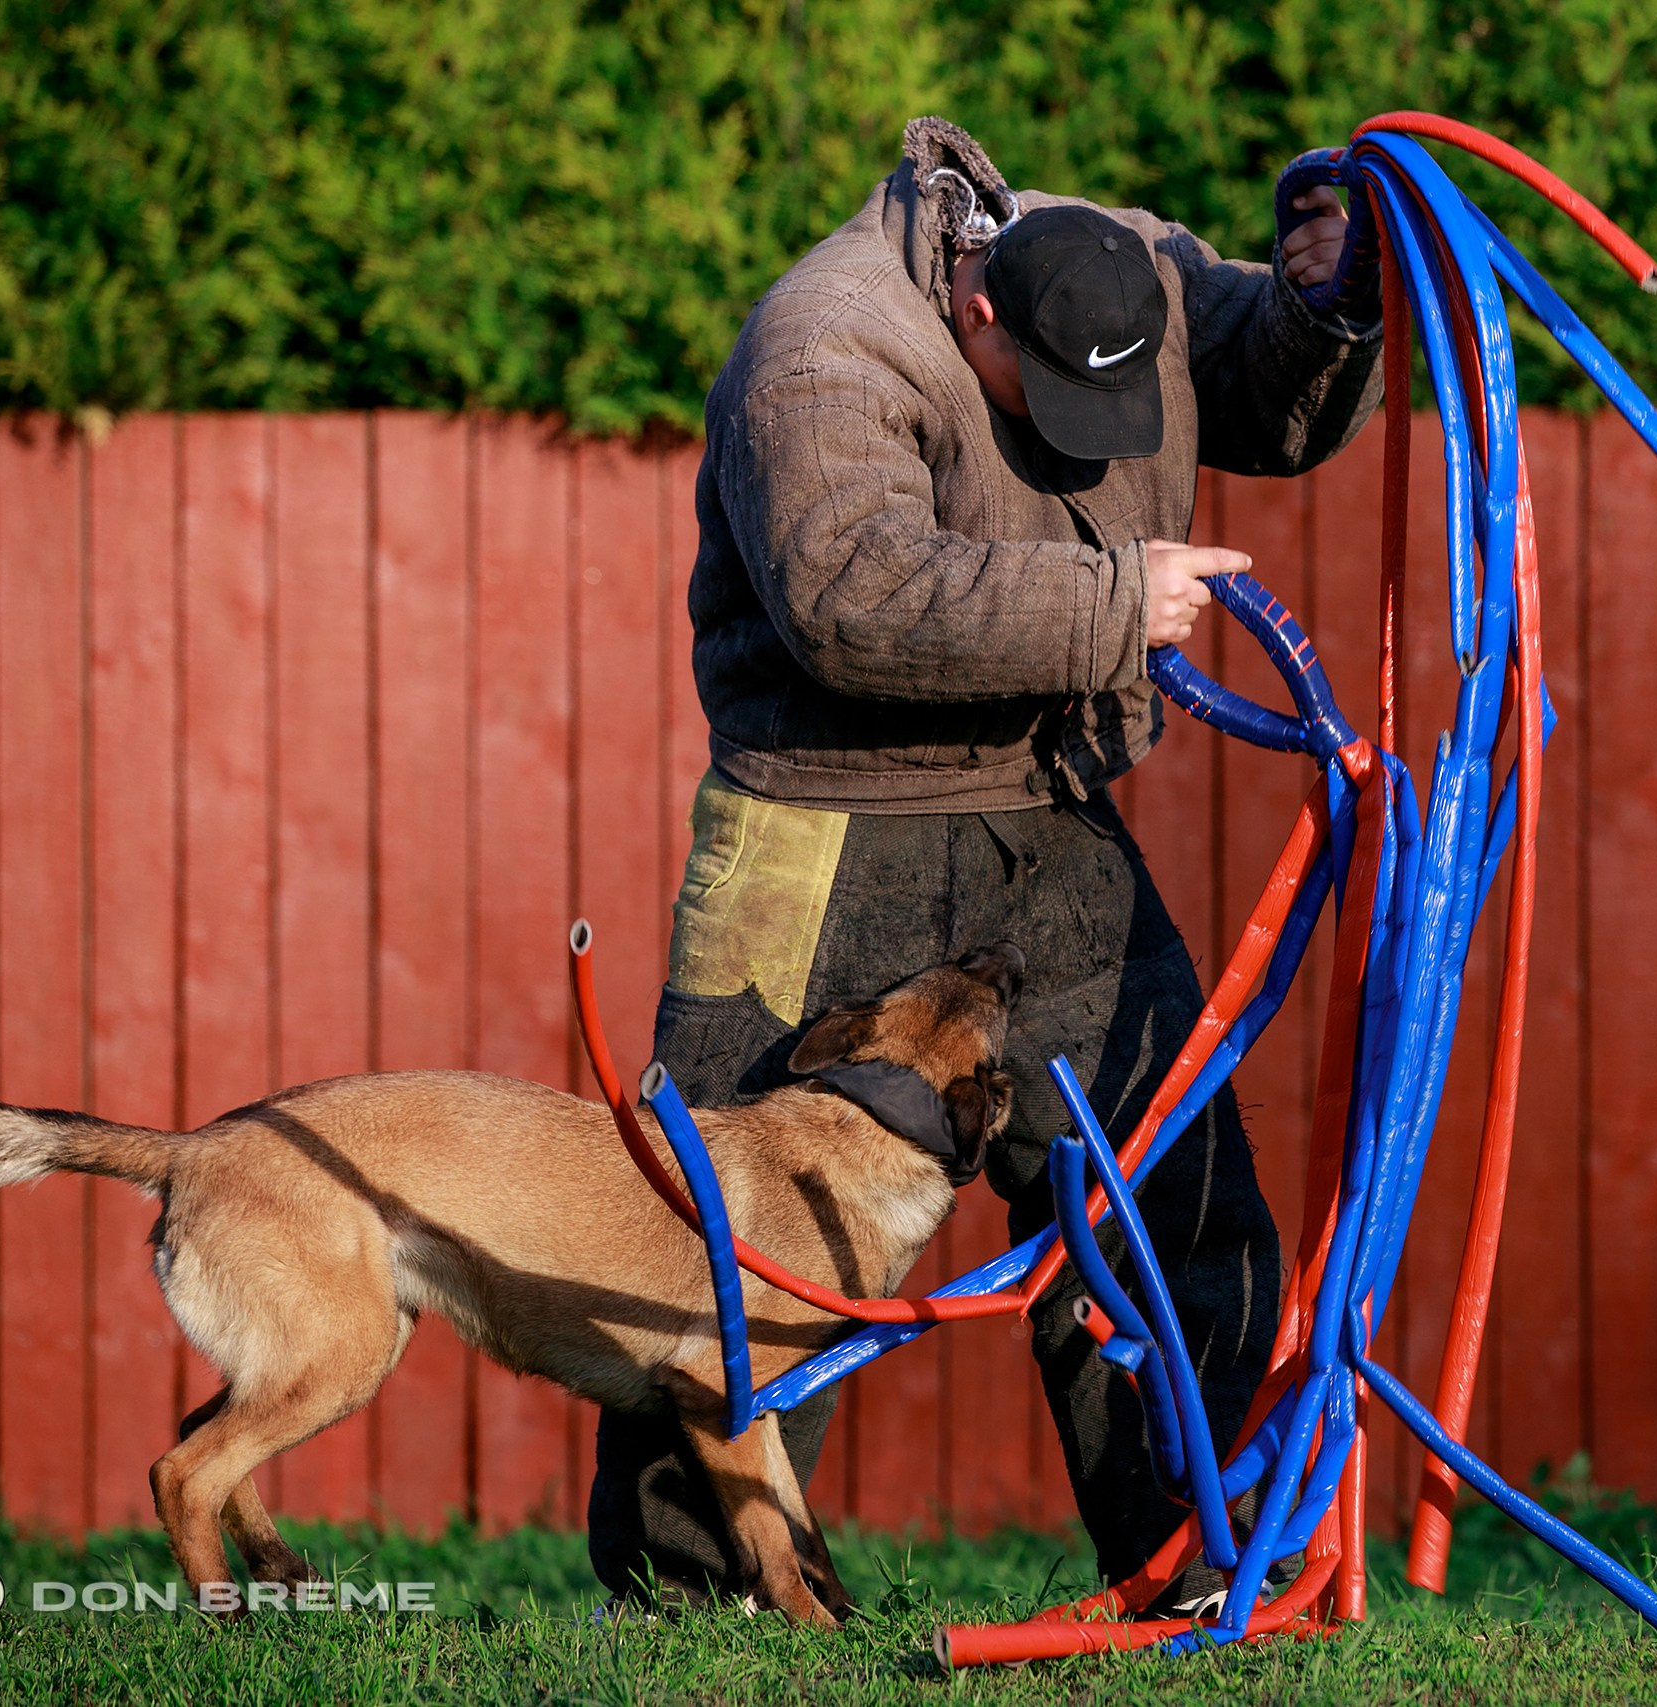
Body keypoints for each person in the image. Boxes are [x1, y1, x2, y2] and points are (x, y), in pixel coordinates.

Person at [588, 116, 1382, 1616]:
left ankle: (1204, 1564)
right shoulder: (824, 350)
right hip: (820, 832)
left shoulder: (1125, 265)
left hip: (1050, 811)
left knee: (1170, 1194)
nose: (1096, 440)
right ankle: (692, 1614)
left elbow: (1270, 408)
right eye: (1051, 401)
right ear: (973, 314)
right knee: (719, 1228)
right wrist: (1108, 603)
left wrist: (1323, 305)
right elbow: (851, 596)